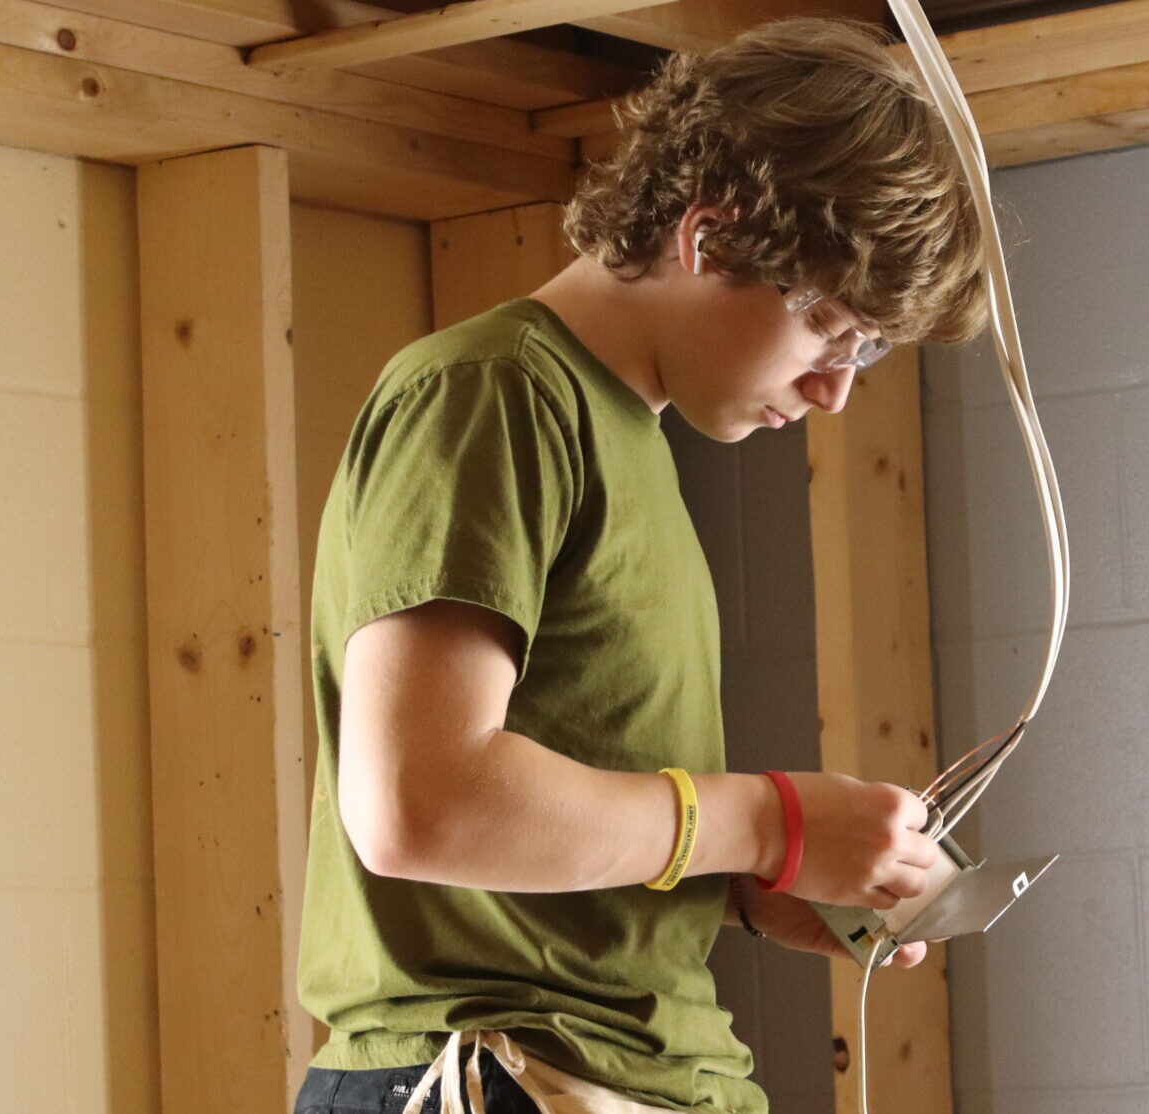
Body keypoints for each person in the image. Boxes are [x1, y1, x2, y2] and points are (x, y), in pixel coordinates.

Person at [292, 18, 990, 1114]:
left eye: (865, 350)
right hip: (502, 1075)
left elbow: (557, 812)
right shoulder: (496, 394)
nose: (834, 390)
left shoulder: (624, 440)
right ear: (708, 239)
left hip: (621, 1076)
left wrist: (754, 889)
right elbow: (418, 804)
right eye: (825, 328)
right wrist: (768, 823)